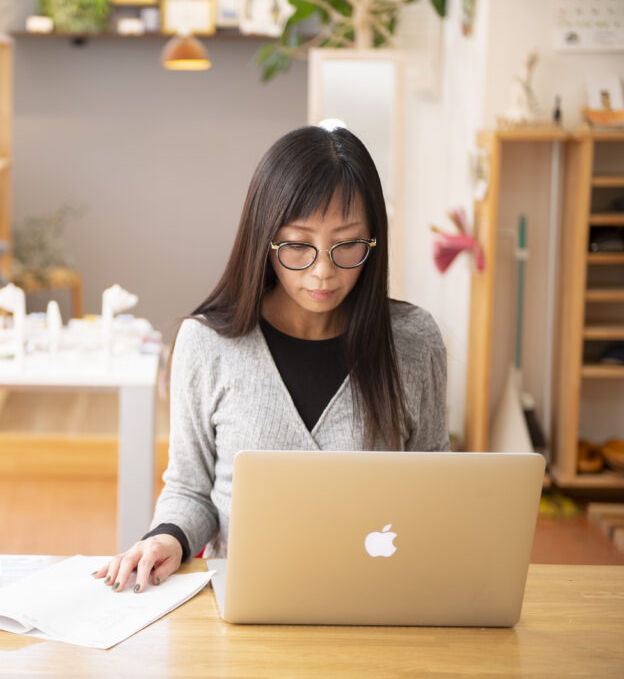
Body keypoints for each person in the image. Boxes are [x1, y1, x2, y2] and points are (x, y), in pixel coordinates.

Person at [94, 125, 448, 593]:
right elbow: (190, 490)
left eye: (347, 245)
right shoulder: (206, 343)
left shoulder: (414, 342)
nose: (324, 271)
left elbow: (438, 493)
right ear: (265, 238)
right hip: (246, 609)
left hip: (378, 603)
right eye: (299, 245)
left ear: (373, 241)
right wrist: (169, 538)